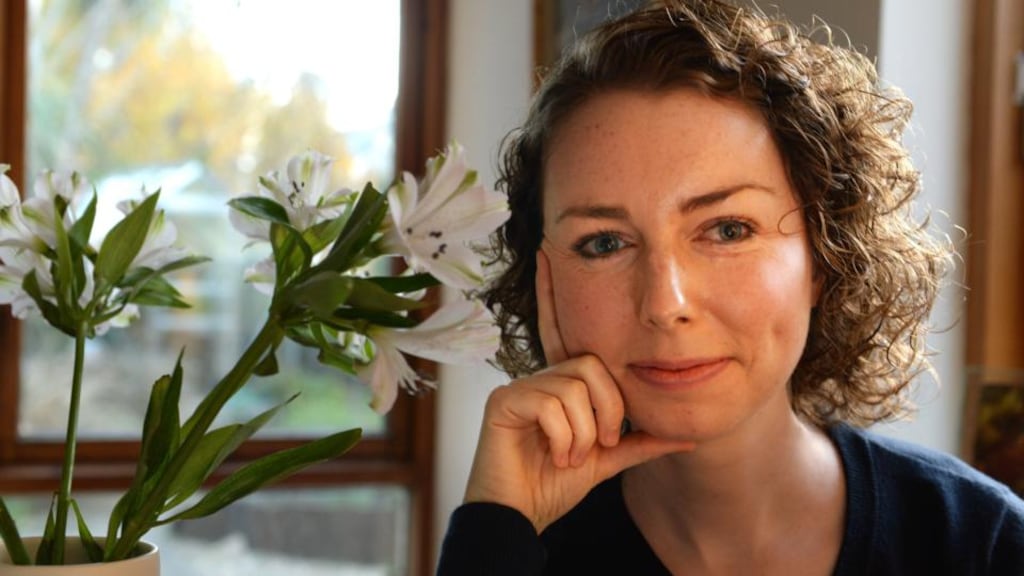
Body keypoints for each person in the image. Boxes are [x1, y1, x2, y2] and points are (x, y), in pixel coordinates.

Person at [437, 0, 1024, 574]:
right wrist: (496, 532)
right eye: (604, 243)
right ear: (543, 278)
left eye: (727, 229)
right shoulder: (517, 546)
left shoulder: (986, 544)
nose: (666, 305)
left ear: (823, 256)